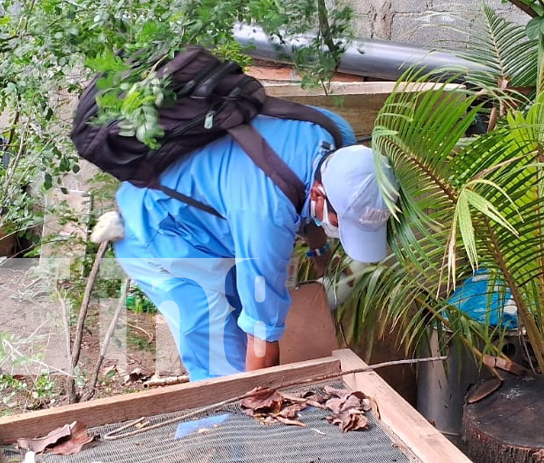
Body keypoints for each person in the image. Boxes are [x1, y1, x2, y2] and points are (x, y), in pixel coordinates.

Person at [112, 108, 396, 381]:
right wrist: (262, 400)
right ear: (320, 194)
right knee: (223, 368)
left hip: (210, 219)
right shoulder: (267, 218)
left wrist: (321, 254)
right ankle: (220, 426)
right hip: (158, 232)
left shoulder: (336, 136)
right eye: (343, 222)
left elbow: (300, 190)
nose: (341, 229)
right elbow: (261, 334)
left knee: (243, 316)